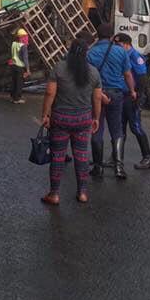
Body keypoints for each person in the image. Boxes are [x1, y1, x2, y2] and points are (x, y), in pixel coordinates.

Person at [41, 37, 102, 205]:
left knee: (58, 156)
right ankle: (82, 192)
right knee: (82, 156)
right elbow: (97, 98)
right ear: (86, 53)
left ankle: (54, 194)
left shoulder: (59, 68)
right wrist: (96, 118)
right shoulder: (93, 72)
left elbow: (50, 93)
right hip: (83, 120)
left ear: (70, 51)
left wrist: (45, 115)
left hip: (60, 119)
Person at [87, 23, 136, 179]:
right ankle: (119, 167)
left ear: (97, 35)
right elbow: (128, 74)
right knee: (117, 130)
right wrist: (133, 91)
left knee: (96, 127)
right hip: (116, 94)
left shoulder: (90, 53)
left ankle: (98, 167)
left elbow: (87, 77)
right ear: (111, 36)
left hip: (97, 95)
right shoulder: (120, 52)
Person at [114, 33, 150, 169]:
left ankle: (147, 157)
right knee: (119, 128)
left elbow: (142, 78)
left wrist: (139, 97)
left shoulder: (135, 57)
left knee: (136, 127)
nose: (117, 48)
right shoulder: (122, 56)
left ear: (127, 44)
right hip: (122, 96)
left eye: (119, 45)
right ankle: (116, 157)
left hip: (133, 97)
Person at [9, 29, 30, 104]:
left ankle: (12, 97)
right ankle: (17, 99)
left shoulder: (13, 44)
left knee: (14, 82)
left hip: (13, 65)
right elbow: (25, 59)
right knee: (19, 83)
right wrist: (27, 69)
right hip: (19, 66)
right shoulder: (23, 46)